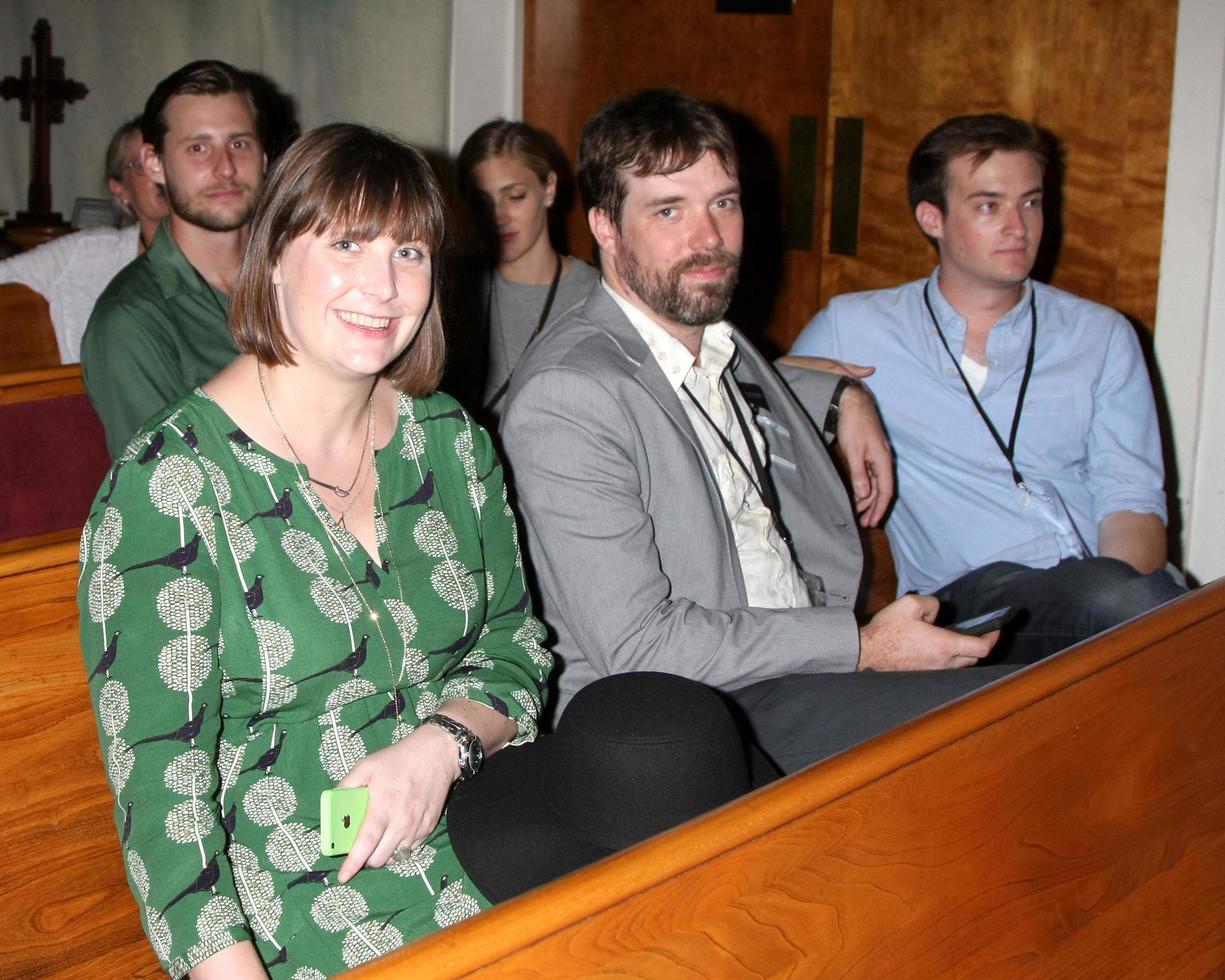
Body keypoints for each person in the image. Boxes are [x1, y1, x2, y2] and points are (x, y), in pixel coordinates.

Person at [78, 123, 758, 978]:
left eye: (408, 251)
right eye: (348, 243)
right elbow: (164, 804)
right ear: (274, 255)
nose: (383, 285)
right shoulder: (170, 486)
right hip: (316, 877)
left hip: (468, 803)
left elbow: (515, 652)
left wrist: (440, 746)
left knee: (680, 768)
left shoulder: (445, 439)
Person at [500, 89, 1016, 776]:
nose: (708, 239)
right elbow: (641, 646)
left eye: (723, 202)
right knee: (1000, 723)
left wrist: (842, 393)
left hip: (792, 662)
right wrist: (859, 648)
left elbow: (726, 381)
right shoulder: (565, 398)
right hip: (694, 715)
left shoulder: (708, 336)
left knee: (1069, 631)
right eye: (668, 210)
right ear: (604, 227)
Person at [789, 113, 1185, 663]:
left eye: (1031, 202)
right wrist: (845, 396)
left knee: (1146, 604)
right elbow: (744, 387)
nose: (1019, 227)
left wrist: (1139, 617)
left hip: (1107, 595)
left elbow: (1132, 504)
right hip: (973, 602)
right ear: (933, 218)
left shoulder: (1102, 335)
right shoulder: (856, 327)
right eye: (988, 205)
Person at [81, 60, 266, 458]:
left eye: (239, 143)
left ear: (265, 157)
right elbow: (167, 493)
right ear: (155, 164)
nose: (226, 168)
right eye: (198, 148)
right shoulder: (130, 319)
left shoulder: (305, 283)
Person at [455, 119, 598, 416]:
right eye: (482, 203)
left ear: (549, 189)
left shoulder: (598, 294)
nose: (499, 216)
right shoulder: (450, 288)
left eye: (515, 196)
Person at [0, 118, 168, 362]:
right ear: (119, 188)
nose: (160, 174)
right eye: (143, 164)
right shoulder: (88, 252)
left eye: (164, 159)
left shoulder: (225, 255)